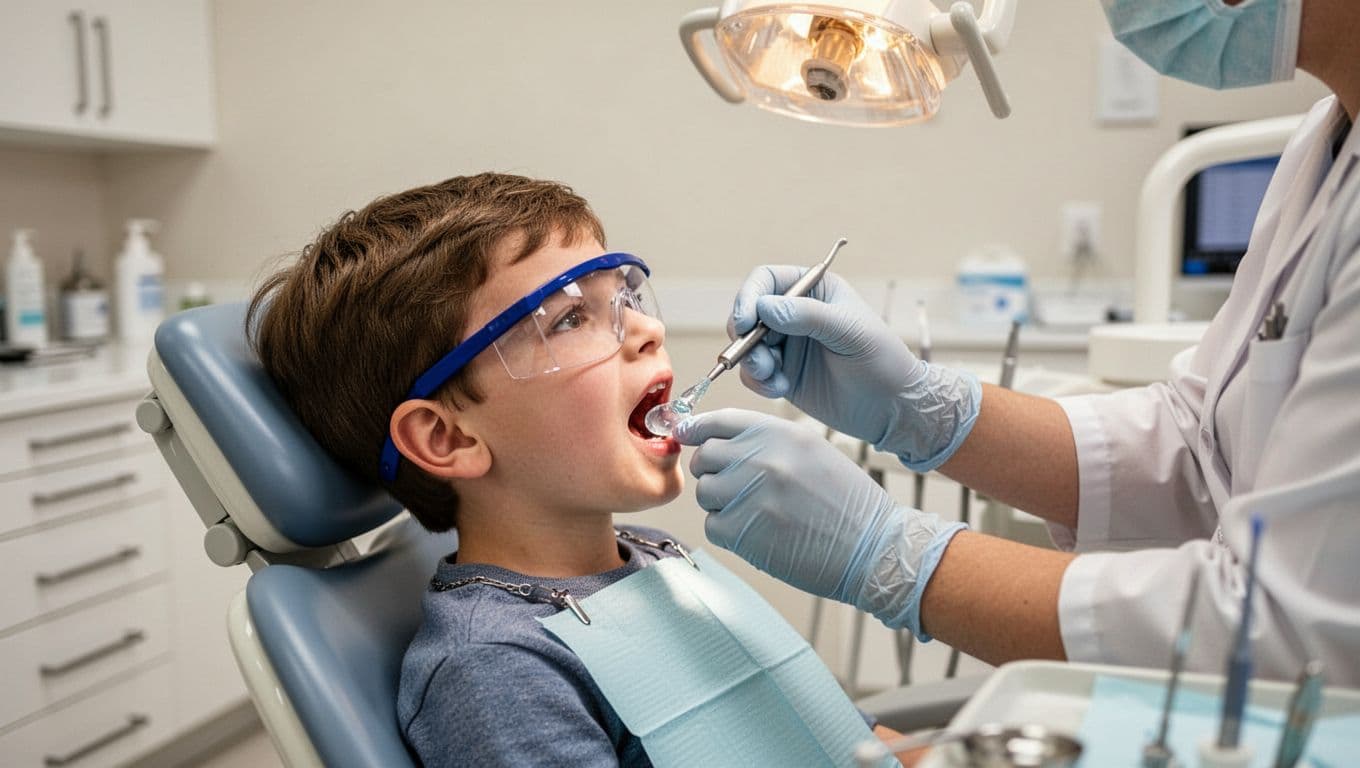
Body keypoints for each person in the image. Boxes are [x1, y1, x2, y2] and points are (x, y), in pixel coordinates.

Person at [675, 0, 1360, 685]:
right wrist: (920, 406)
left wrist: (884, 553)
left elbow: (1288, 628)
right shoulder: (1324, 142)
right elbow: (1198, 449)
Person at [246, 173, 905, 767]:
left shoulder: (660, 560)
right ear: (446, 438)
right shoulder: (496, 668)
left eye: (626, 295)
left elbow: (849, 740)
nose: (645, 329)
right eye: (568, 317)